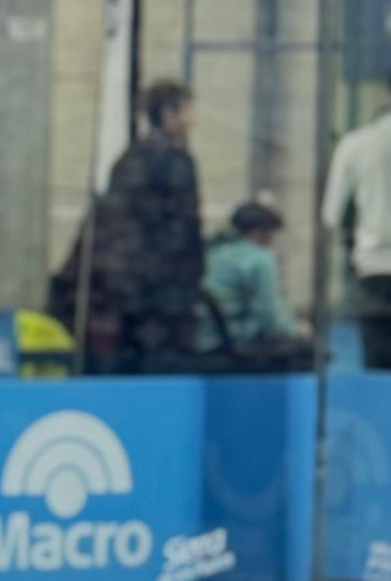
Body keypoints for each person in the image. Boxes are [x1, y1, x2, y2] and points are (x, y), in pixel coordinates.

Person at [73, 80, 205, 373]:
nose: (193, 120)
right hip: (163, 293)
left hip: (129, 290)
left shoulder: (131, 157)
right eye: (187, 111)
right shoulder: (174, 160)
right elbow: (181, 232)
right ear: (168, 114)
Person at [323, 81, 391, 369]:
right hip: (371, 262)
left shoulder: (354, 144)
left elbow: (331, 214)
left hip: (372, 263)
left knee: (377, 368)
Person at [197, 201, 310, 368]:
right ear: (262, 232)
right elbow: (270, 317)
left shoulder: (214, 253)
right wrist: (298, 330)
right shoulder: (259, 260)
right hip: (237, 341)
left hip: (206, 337)